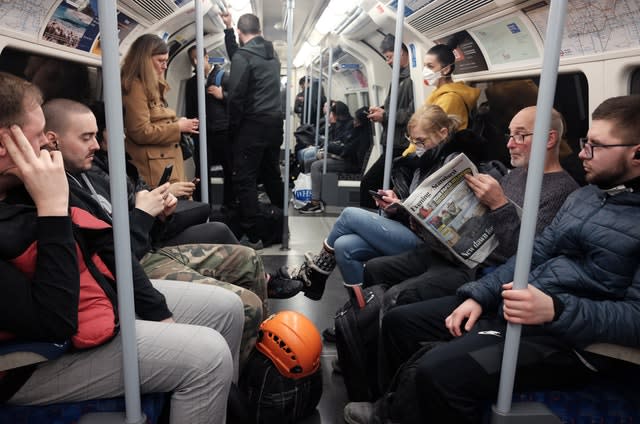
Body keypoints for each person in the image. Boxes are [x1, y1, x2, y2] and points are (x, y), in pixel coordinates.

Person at [344, 95, 640, 424]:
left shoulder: (570, 193)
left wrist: (556, 309)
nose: (583, 153)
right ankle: (391, 406)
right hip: (520, 303)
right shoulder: (588, 197)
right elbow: (535, 252)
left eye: (596, 146)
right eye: (586, 142)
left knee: (438, 370)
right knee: (402, 323)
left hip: (574, 340)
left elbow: (635, 317)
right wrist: (480, 295)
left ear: (637, 152)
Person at [0, 72, 243, 423]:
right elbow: (56, 321)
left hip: (92, 299)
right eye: (38, 136)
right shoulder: (40, 188)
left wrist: (156, 309)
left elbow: (104, 247)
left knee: (226, 308)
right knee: (208, 356)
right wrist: (52, 209)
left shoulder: (28, 182)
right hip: (31, 361)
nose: (47, 145)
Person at [43, 98, 272, 367]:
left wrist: (159, 215)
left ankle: (262, 353)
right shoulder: (60, 193)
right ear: (53, 140)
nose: (95, 145)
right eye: (86, 138)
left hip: (144, 251)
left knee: (249, 258)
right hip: (132, 266)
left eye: (95, 135)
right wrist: (142, 215)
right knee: (246, 305)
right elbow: (115, 257)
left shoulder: (90, 173)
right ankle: (245, 375)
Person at [362, 106, 578, 315]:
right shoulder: (515, 175)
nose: (510, 144)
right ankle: (357, 327)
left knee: (399, 298)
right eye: (509, 135)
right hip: (449, 254)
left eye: (520, 136)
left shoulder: (561, 192)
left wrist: (499, 205)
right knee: (374, 268)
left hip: (479, 268)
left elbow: (526, 256)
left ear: (549, 140)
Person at [286, 105, 480, 301]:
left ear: (443, 133)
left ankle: (318, 273)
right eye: (413, 141)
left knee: (349, 215)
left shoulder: (454, 164)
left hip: (430, 243)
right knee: (345, 246)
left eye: (421, 141)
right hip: (409, 228)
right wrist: (395, 203)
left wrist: (404, 206)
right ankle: (362, 307)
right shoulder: (419, 163)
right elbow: (414, 200)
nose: (417, 147)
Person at [223, 13, 284, 249]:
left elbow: (237, 96)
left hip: (252, 124)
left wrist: (233, 129)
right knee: (271, 175)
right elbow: (238, 56)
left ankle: (254, 234)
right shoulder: (272, 54)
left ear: (241, 33)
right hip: (274, 123)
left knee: (244, 179)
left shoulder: (244, 56)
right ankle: (281, 226)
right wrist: (229, 29)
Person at [121, 34, 198, 199]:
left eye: (166, 61)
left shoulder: (153, 85)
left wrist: (178, 122)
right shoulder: (134, 87)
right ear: (145, 60)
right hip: (154, 166)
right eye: (160, 61)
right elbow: (140, 131)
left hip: (165, 160)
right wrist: (177, 127)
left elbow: (158, 119)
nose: (165, 66)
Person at [360, 34, 415, 209]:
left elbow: (412, 114)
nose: (388, 62)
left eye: (390, 57)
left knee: (368, 184)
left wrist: (384, 116)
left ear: (400, 53)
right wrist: (381, 109)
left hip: (401, 145)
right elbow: (393, 106)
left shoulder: (411, 79)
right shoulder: (397, 79)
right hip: (392, 142)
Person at [298, 104, 372, 214]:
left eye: (356, 119)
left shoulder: (361, 135)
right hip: (346, 159)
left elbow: (347, 150)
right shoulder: (356, 131)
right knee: (314, 161)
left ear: (361, 121)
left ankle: (315, 203)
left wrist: (331, 148)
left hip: (351, 163)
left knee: (316, 165)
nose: (354, 121)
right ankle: (312, 195)